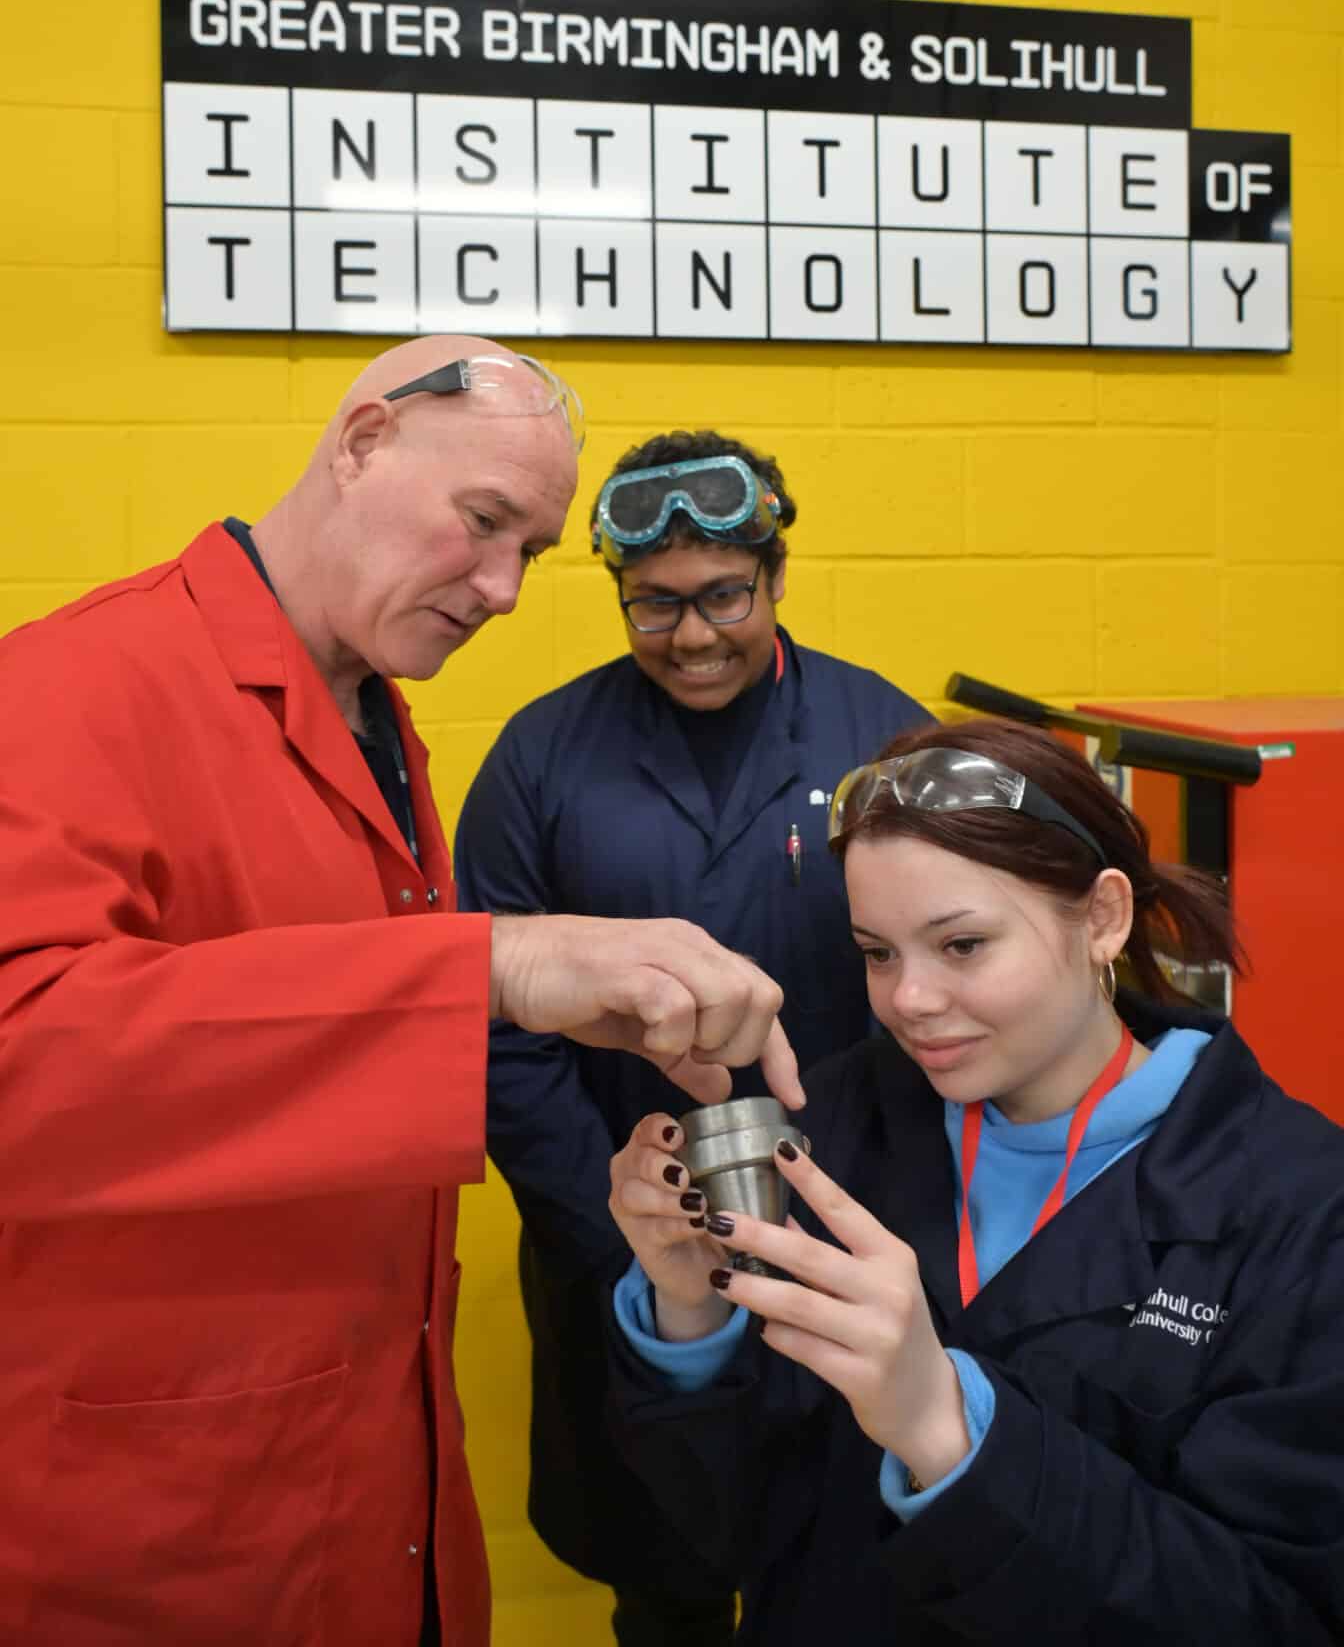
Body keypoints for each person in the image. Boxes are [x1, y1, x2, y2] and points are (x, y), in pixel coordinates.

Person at [0, 340, 802, 1647]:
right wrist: (493, 968)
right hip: (151, 1519)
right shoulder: (73, 686)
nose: (498, 590)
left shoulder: (369, 717)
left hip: (365, 1486)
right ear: (363, 441)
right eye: (482, 522)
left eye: (531, 554)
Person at [605, 717, 1344, 1645]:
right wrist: (689, 1317)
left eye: (961, 946)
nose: (908, 1000)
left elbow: (1275, 1616)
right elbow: (726, 1536)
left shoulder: (1302, 1211)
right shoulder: (837, 1120)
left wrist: (950, 1430)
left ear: (1103, 918)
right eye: (878, 953)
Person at [453, 429, 926, 1646]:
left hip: (847, 1235)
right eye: (652, 605)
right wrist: (611, 1228)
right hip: (615, 1246)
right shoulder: (538, 757)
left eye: (725, 594)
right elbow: (492, 1031)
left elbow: (945, 988)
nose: (696, 633)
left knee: (850, 1563)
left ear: (775, 572)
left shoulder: (884, 738)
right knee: (660, 1567)